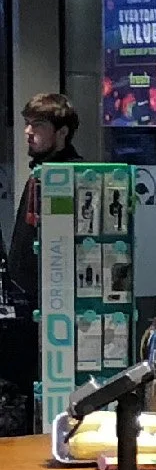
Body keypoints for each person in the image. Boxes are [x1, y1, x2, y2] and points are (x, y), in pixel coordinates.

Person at [0, 96, 78, 435]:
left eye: (39, 125)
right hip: (26, 310)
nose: (29, 132)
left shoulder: (69, 176)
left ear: (61, 133)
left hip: (50, 309)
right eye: (27, 124)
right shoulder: (39, 175)